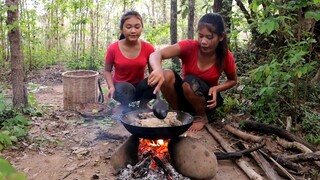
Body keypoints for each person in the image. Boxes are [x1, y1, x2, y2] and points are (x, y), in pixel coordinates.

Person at [148, 13, 238, 132]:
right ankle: (178, 113)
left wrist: (217, 88)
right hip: (185, 96)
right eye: (200, 36)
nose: (203, 41)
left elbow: (233, 80)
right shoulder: (190, 46)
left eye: (209, 37)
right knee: (166, 74)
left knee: (189, 82)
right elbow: (156, 54)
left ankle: (201, 117)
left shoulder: (226, 56)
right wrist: (158, 69)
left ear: (221, 37)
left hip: (207, 101)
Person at [104, 10, 156, 114]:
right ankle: (123, 106)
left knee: (156, 79)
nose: (133, 31)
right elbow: (107, 71)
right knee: (125, 88)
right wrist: (111, 87)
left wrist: (157, 85)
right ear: (122, 29)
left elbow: (153, 73)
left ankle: (143, 104)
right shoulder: (113, 48)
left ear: (141, 28)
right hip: (121, 91)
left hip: (140, 89)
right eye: (128, 27)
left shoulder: (149, 48)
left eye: (137, 27)